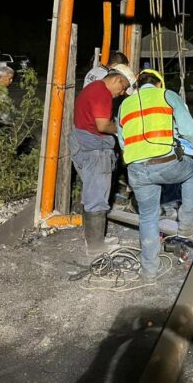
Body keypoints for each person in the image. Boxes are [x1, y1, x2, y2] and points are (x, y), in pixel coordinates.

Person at [116, 69, 193, 280]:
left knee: (147, 217)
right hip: (165, 162)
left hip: (136, 169)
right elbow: (190, 131)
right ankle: (187, 225)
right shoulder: (167, 95)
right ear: (159, 84)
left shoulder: (125, 104)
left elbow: (122, 142)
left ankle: (149, 271)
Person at [68, 70, 131, 256]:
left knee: (90, 193)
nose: (122, 93)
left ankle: (94, 239)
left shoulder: (91, 88)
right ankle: (96, 247)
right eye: (123, 87)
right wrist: (121, 128)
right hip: (96, 150)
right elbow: (103, 125)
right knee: (97, 198)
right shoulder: (102, 92)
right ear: (117, 79)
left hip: (83, 145)